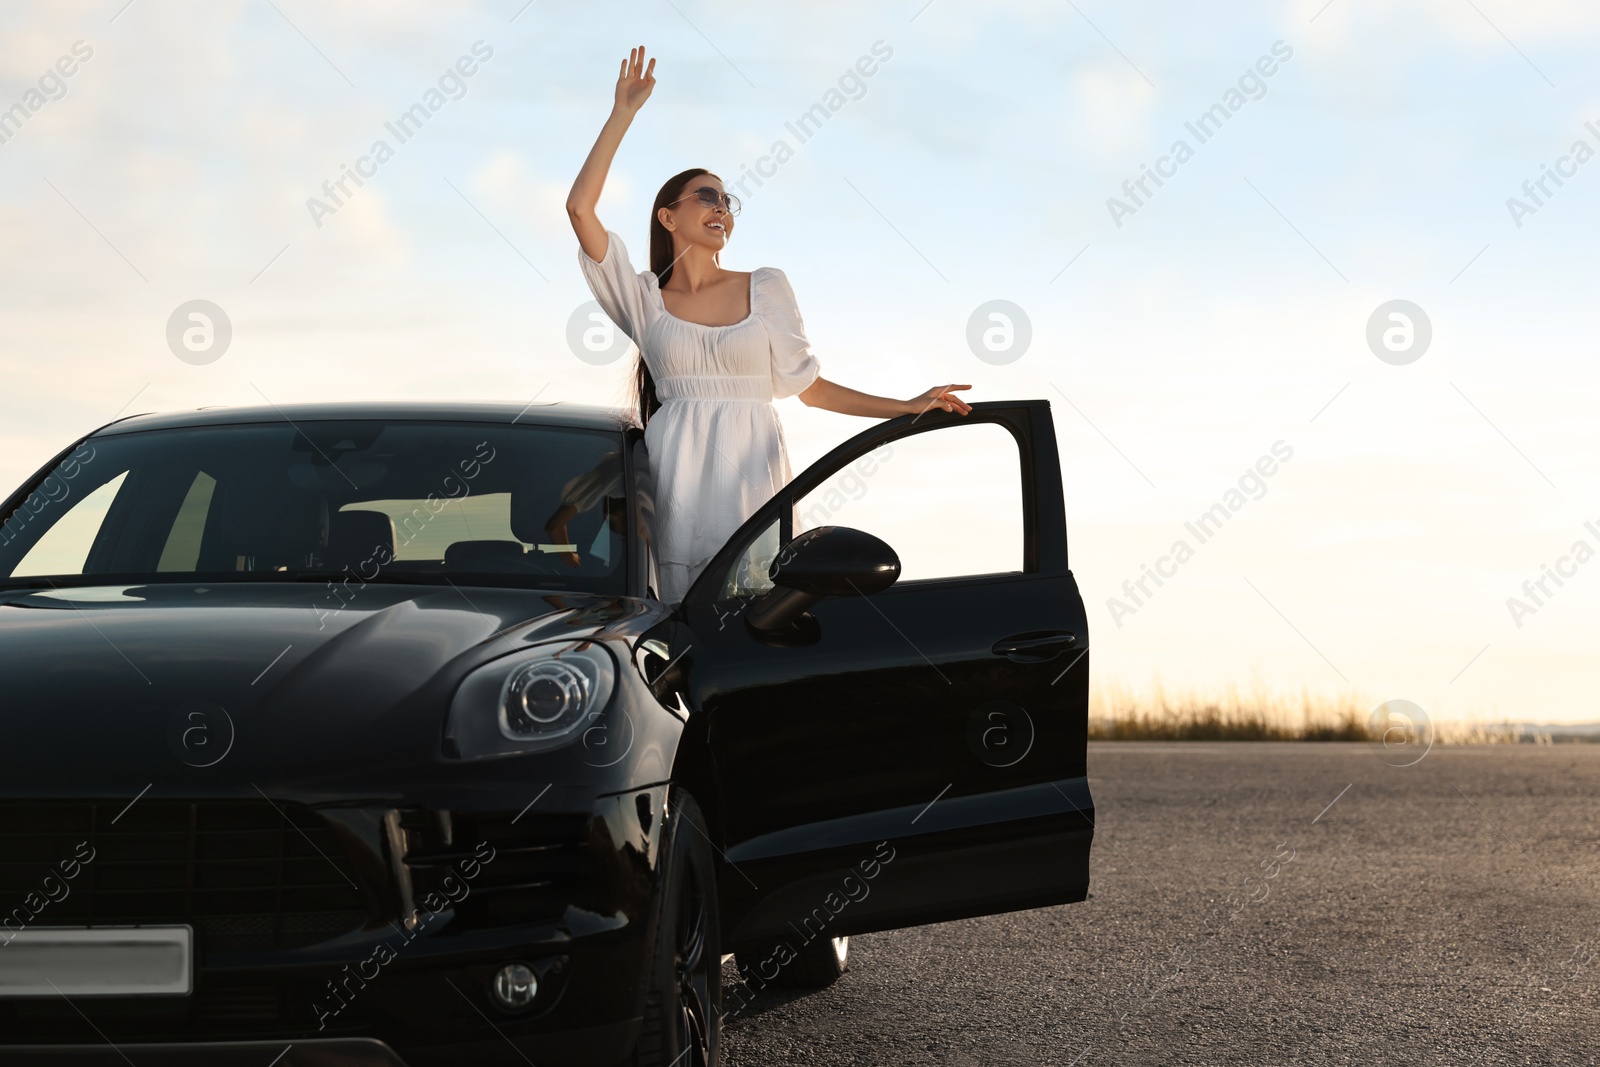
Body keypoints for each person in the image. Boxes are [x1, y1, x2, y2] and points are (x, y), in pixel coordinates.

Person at [566, 46, 972, 607]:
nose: (722, 207)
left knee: (751, 615)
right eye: (706, 196)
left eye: (727, 200)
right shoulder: (641, 299)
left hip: (751, 483)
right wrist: (623, 114)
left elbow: (809, 388)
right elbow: (580, 210)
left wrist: (905, 406)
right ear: (668, 215)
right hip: (673, 485)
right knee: (676, 622)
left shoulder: (767, 286)